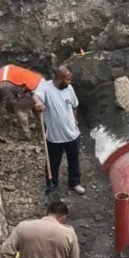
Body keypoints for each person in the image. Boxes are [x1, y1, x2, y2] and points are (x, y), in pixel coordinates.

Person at [33, 66, 84, 195]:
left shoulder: (69, 89)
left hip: (72, 134)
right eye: (67, 79)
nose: (69, 82)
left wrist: (74, 119)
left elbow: (74, 105)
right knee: (53, 162)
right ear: (59, 78)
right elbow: (36, 96)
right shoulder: (46, 87)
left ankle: (75, 182)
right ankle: (52, 184)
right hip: (55, 136)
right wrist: (38, 103)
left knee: (74, 160)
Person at [0, 64, 44, 134]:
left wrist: (0, 109)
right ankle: (46, 124)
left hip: (35, 90)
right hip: (40, 81)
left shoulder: (2, 86)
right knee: (30, 104)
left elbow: (12, 101)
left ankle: (26, 134)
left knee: (19, 108)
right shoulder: (5, 68)